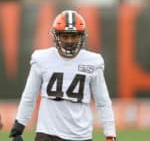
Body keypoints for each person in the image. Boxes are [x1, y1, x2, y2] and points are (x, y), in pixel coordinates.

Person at [9, 10, 116, 141]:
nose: (70, 41)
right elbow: (29, 96)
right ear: (56, 36)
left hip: (80, 135)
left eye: (74, 36)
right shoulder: (42, 59)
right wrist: (18, 127)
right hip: (48, 133)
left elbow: (103, 102)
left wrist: (110, 134)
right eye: (65, 36)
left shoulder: (93, 62)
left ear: (82, 36)